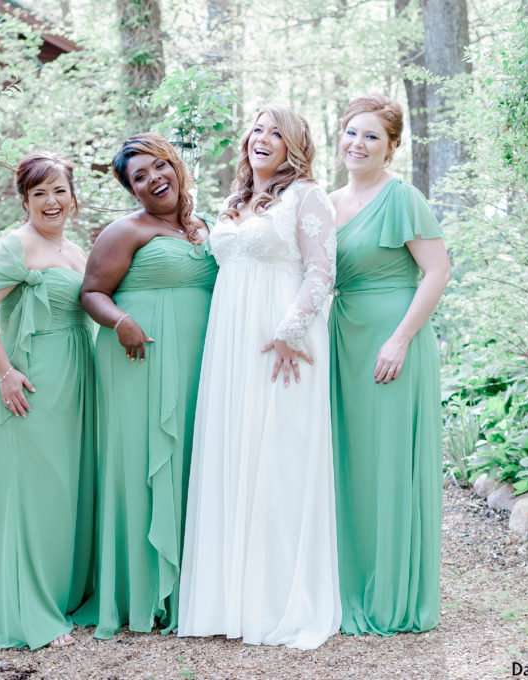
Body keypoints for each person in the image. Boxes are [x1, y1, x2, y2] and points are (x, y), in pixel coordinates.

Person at [178, 105, 341, 650]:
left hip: (283, 339)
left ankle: (276, 601)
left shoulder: (307, 196)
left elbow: (321, 267)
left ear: (294, 146)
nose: (262, 139)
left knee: (278, 459)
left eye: (277, 133)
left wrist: (292, 329)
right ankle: (229, 599)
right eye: (257, 130)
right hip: (229, 343)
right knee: (234, 453)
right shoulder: (233, 201)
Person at [72, 133, 218, 639]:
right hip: (141, 357)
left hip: (200, 360)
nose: (155, 179)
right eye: (140, 176)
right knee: (144, 467)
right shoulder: (125, 230)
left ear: (175, 167)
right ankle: (141, 592)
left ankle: (196, 590)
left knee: (194, 463)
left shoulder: (204, 227)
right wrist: (120, 322)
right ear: (132, 190)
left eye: (160, 167)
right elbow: (91, 292)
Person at [0, 152, 94, 652]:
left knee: (65, 490)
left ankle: (60, 593)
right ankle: (25, 608)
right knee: (32, 493)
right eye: (40, 194)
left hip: (75, 386)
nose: (51, 202)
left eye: (59, 191)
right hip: (28, 387)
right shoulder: (17, 246)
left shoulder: (77, 252)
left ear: (73, 197)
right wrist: (4, 372)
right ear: (25, 201)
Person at [328, 93, 451, 635]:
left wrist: (399, 339)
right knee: (350, 459)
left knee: (389, 458)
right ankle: (345, 581)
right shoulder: (324, 203)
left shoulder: (403, 197)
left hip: (393, 339)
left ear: (392, 147)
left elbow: (437, 272)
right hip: (343, 337)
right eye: (352, 132)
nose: (358, 143)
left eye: (372, 136)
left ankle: (394, 590)